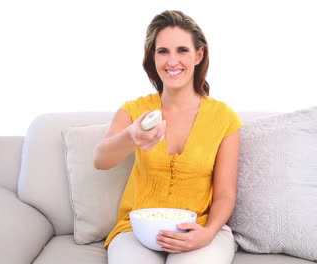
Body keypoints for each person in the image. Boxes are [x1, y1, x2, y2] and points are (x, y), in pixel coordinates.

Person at [93, 10, 243, 264]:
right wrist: (131, 136)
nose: (172, 61)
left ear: (199, 55)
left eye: (182, 50)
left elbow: (225, 193)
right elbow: (100, 160)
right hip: (136, 230)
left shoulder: (225, 118)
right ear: (152, 58)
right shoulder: (134, 110)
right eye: (163, 51)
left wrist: (207, 234)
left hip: (199, 229)